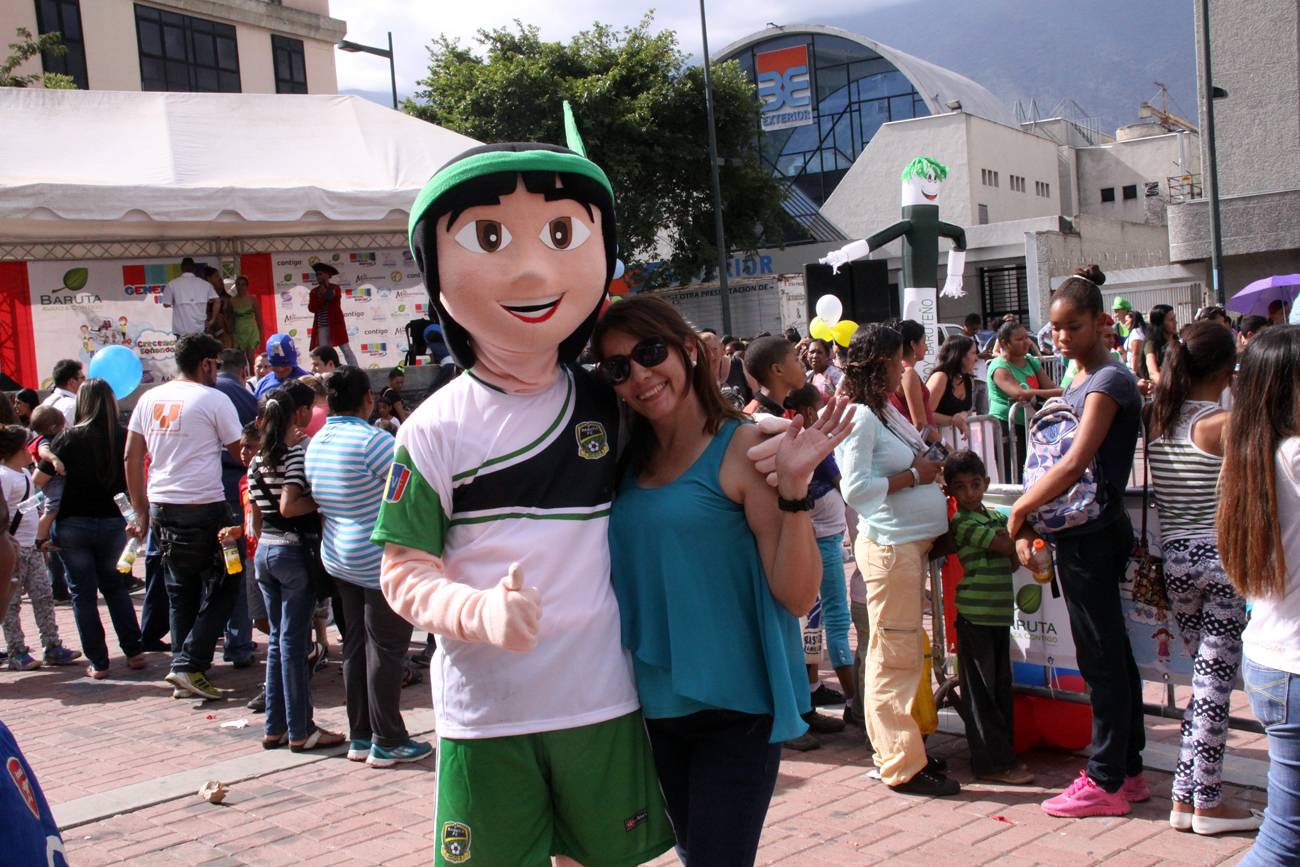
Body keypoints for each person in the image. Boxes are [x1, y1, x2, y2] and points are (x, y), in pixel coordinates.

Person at [373, 137, 675, 867]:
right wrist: (476, 611)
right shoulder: (434, 427)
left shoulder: (611, 399)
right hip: (488, 710)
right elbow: (401, 570)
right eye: (489, 238)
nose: (534, 266)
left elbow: (695, 448)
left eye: (563, 233)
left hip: (602, 694)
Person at [595, 295, 849, 863]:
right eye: (618, 367)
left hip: (736, 711)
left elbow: (797, 594)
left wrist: (795, 490)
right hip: (653, 706)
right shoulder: (625, 459)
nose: (639, 374)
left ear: (688, 351)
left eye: (650, 351)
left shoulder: (746, 448)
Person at [1006, 265, 1147, 818]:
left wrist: (1020, 509)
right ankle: (1127, 771)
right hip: (1081, 533)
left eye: (1073, 327)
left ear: (1101, 324)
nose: (1061, 338)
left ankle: (1108, 777)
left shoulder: (1108, 381)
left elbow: (1073, 462)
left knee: (1102, 660)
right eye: (1055, 328)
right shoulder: (1078, 378)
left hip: (1094, 534)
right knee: (1106, 655)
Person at [835, 323, 959, 797]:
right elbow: (857, 490)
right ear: (876, 364)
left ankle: (902, 751)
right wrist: (913, 475)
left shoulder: (884, 409)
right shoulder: (863, 417)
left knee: (901, 653)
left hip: (907, 546)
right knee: (894, 656)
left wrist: (929, 465)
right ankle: (901, 765)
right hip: (890, 548)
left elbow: (918, 455)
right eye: (895, 361)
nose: (903, 368)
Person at [1146, 321, 1258, 834]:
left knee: (1203, 682)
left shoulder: (1160, 420)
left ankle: (1186, 796)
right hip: (1219, 562)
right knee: (1214, 687)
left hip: (1174, 562)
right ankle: (1206, 802)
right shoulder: (1221, 424)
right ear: (1226, 368)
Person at [305, 366, 433, 767]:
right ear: (366, 398)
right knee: (388, 650)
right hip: (378, 560)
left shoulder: (317, 440)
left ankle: (362, 735)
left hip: (339, 556)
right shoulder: (373, 441)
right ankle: (389, 739)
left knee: (357, 646)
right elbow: (412, 489)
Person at [1218, 325, 1300, 862]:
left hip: (1273, 659)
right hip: (1293, 667)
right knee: (1283, 842)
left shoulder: (1253, 453)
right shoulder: (1293, 456)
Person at [125, 332, 244, 701]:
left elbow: (131, 455)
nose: (217, 372)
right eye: (216, 365)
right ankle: (189, 664)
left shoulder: (148, 398)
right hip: (204, 506)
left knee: (180, 590)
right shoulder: (214, 399)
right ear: (206, 363)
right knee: (229, 581)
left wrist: (141, 510)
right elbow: (241, 454)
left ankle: (184, 669)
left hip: (161, 505)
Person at [244, 388, 343, 752]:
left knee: (277, 642)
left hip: (265, 552)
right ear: (294, 418)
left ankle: (276, 726)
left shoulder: (256, 460)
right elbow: (289, 506)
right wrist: (323, 497)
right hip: (293, 552)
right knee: (294, 645)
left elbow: (258, 513)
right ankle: (302, 728)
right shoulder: (297, 453)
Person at [39, 379, 144, 679]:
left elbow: (39, 478)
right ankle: (134, 652)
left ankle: (99, 662)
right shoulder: (123, 436)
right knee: (115, 587)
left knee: (82, 593)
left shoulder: (68, 438)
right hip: (113, 522)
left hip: (73, 524)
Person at [944, 449, 1036, 785]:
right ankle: (991, 763)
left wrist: (1009, 538)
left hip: (997, 615)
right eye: (961, 486)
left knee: (998, 689)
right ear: (951, 491)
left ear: (986, 483)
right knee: (982, 693)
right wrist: (1015, 535)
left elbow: (1010, 557)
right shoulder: (963, 521)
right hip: (975, 616)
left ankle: (1002, 756)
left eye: (975, 484)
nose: (969, 493)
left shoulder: (995, 519)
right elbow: (1006, 547)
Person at [786, 385, 857, 726]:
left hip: (825, 541)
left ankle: (813, 686)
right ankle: (855, 702)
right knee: (836, 621)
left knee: (816, 621)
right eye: (823, 404)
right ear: (813, 413)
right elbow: (848, 488)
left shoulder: (810, 444)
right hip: (824, 543)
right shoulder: (818, 449)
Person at [0, 425, 79, 671]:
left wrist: (38, 544)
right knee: (11, 602)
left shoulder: (25, 473)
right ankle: (17, 650)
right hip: (13, 548)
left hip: (31, 548)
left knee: (43, 596)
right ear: (19, 449)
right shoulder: (3, 475)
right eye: (28, 446)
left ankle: (52, 644)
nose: (32, 452)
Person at [213, 348, 258, 669]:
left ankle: (210, 636)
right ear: (245, 370)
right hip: (237, 491)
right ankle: (239, 641)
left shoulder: (207, 392)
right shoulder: (245, 396)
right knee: (236, 564)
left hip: (204, 491)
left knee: (213, 570)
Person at [987, 321, 1061, 481]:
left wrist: (1057, 392)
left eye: (1027, 337)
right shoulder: (998, 366)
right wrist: (1063, 391)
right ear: (1005, 343)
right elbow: (1019, 394)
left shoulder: (1029, 360)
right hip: (1006, 427)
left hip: (1031, 425)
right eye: (1020, 339)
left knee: (1038, 470)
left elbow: (1049, 387)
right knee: (1013, 474)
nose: (1026, 342)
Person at [888, 320, 938, 441]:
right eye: (924, 342)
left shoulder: (897, 369)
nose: (926, 348)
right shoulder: (908, 372)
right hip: (921, 443)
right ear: (913, 344)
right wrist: (946, 447)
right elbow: (920, 424)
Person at [307, 263, 358, 367]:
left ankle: (356, 369)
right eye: (316, 275)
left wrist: (323, 294)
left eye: (320, 274)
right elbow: (312, 308)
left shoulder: (335, 288)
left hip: (336, 325)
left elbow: (331, 296)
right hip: (321, 326)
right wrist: (322, 296)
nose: (318, 277)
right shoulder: (314, 291)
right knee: (325, 352)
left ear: (327, 275)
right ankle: (329, 372)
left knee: (345, 349)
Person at [926, 334, 976, 440]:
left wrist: (964, 414)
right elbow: (925, 413)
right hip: (935, 442)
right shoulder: (940, 378)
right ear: (961, 356)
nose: (976, 358)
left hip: (957, 442)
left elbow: (966, 409)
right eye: (973, 353)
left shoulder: (968, 379)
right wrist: (954, 420)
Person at [742, 335, 805, 418]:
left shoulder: (788, 406)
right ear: (777, 370)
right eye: (797, 359)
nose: (803, 365)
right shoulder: (756, 418)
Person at [160, 258, 218, 337]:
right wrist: (212, 319)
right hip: (200, 329)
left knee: (183, 349)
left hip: (181, 330)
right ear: (194, 270)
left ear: (181, 269)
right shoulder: (205, 284)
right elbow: (217, 301)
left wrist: (176, 299)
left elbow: (166, 304)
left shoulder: (172, 284)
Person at [254, 334, 310, 398]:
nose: (280, 369)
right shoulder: (262, 384)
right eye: (274, 363)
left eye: (285, 362)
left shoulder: (309, 383)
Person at [229, 275, 264, 370]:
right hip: (238, 330)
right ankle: (241, 378)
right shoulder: (231, 300)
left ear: (247, 286)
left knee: (250, 358)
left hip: (251, 330)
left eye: (243, 284)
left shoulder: (252, 299)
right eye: (238, 284)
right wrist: (231, 333)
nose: (241, 287)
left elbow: (259, 317)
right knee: (240, 359)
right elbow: (230, 318)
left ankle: (254, 378)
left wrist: (261, 332)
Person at [961, 312, 993, 414]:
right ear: (966, 326)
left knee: (984, 411)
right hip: (970, 378)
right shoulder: (961, 340)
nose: (975, 332)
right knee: (968, 411)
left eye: (977, 329)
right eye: (973, 329)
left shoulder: (976, 338)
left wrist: (984, 354)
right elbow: (962, 358)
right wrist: (980, 356)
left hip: (982, 377)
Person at [41, 359, 84, 427]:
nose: (85, 381)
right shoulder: (72, 405)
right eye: (82, 378)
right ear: (72, 381)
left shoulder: (47, 401)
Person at [1145, 304, 1178, 386]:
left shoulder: (1179, 342)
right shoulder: (1152, 345)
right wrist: (1170, 387)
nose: (1175, 322)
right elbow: (1153, 373)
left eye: (1175, 318)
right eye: (1171, 320)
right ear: (1160, 324)